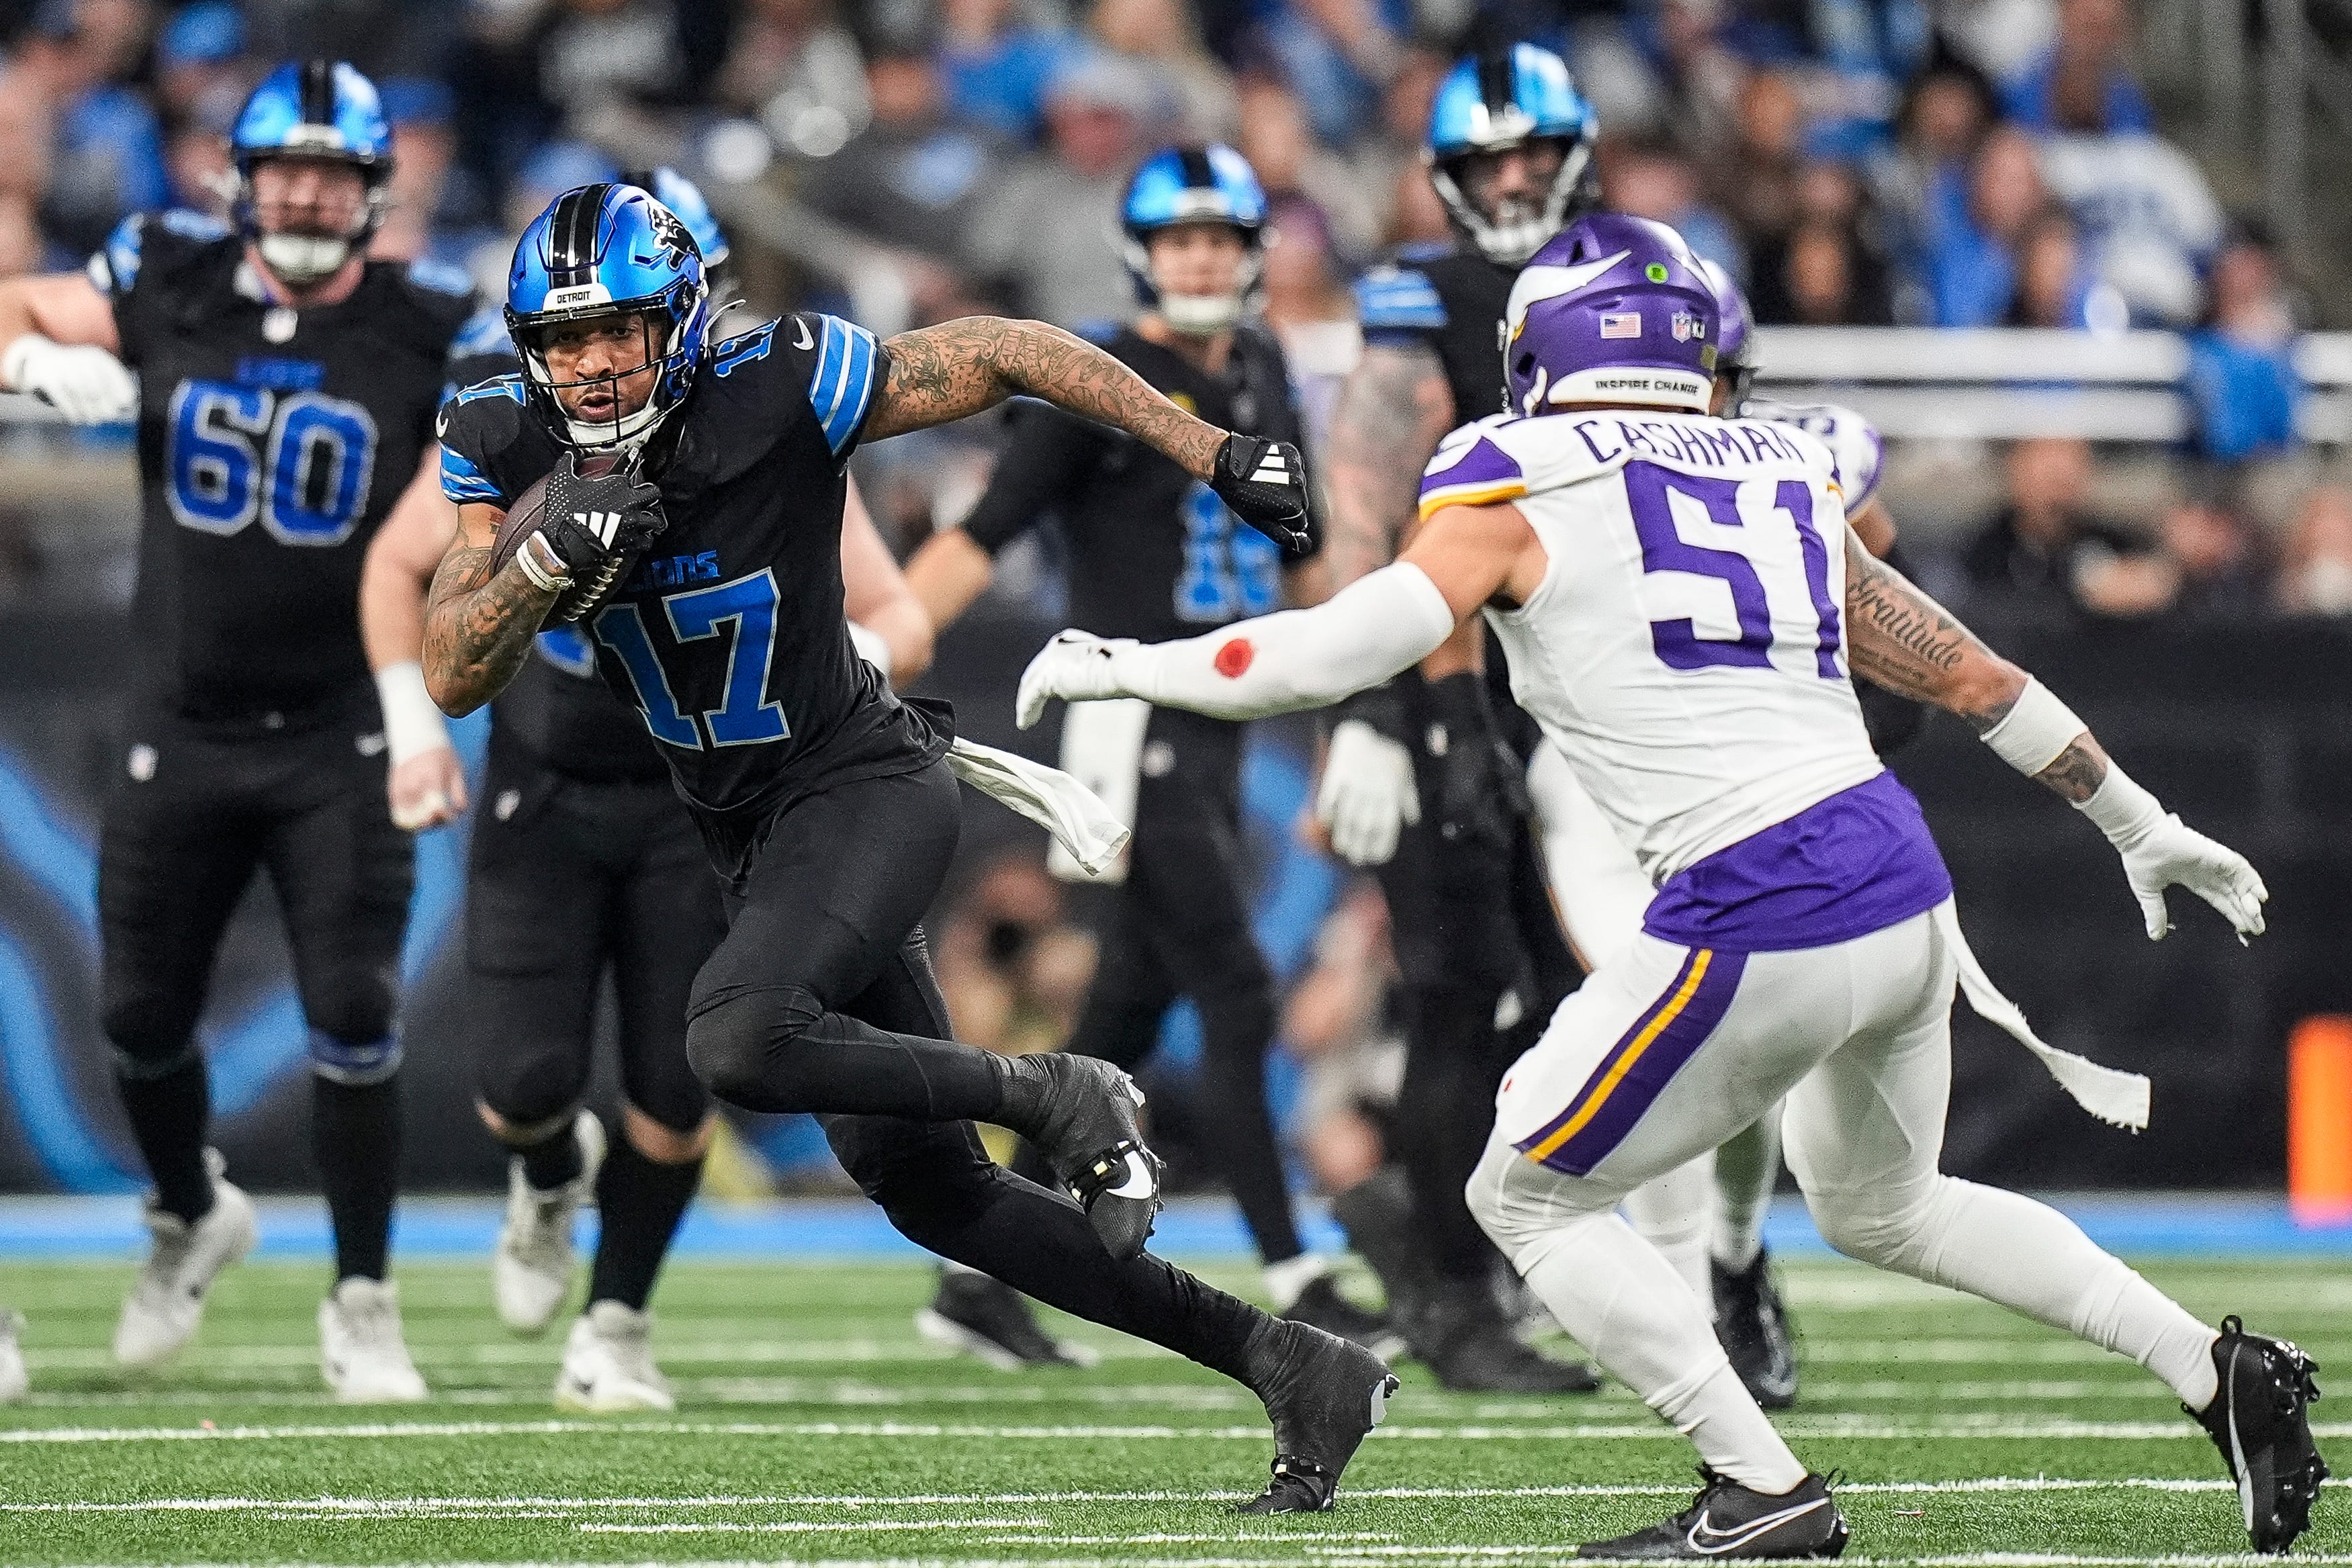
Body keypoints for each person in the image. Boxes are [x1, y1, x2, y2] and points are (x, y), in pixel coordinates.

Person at [1015, 213, 2320, 1557]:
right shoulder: (1781, 462)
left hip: (1759, 895)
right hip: (1897, 873)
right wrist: (2135, 817)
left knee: (1520, 1187)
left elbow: (1341, 648)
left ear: (1539, 349)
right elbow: (1969, 676)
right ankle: (2213, 1371)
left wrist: (1129, 665)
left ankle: (1759, 1485)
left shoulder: (1509, 465)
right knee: (1888, 1201)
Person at [425, 181, 1394, 1512]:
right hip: (745, 829)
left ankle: (1056, 1091)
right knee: (930, 1195)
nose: (590, 367)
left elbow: (1002, 349)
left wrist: (1207, 445)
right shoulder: (498, 428)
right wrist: (542, 565)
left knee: (734, 1037)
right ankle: (1288, 1361)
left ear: (683, 321)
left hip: (861, 781)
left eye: (620, 333)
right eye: (564, 341)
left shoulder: (780, 381)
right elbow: (448, 664)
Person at [0, 60, 511, 1400]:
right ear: (238, 177)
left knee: (355, 1013)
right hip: (181, 719)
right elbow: (10, 309)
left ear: (367, 191)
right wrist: (38, 358)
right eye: (281, 169)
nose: (300, 193)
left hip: (343, 724)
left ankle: (363, 1299)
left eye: (328, 174)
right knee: (135, 1022)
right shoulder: (164, 271)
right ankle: (188, 1210)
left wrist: (426, 694)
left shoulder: (433, 322)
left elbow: (487, 504)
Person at [903, 144, 1388, 1350]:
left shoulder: (1264, 363)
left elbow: (1307, 547)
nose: (1200, 261)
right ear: (1141, 253)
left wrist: (1360, 698)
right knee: (1232, 982)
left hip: (1226, 717)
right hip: (1125, 717)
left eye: (1220, 239)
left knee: (1124, 1006)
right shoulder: (1104, 378)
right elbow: (988, 526)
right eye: (1180, 242)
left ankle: (981, 1272)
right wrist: (888, 630)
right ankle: (1296, 1269)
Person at [1314, 42, 1598, 1395]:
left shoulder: (1623, 275)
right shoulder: (1419, 300)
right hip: (1449, 689)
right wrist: (1373, 703)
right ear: (1444, 177)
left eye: (1530, 154)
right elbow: (1360, 503)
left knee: (1575, 997)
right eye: (1487, 161)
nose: (1511, 180)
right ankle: (1447, 1294)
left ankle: (1444, 1244)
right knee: (1459, 990)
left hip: (1584, 690)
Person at [1609, 257, 1926, 1412]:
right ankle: (1674, 1293)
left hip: (1768, 791)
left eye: (1701, 375)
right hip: (1613, 790)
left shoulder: (1810, 456)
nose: (1673, 396)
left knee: (1749, 1066)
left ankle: (1729, 1262)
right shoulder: (1549, 463)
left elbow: (1889, 607)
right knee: (1633, 1023)